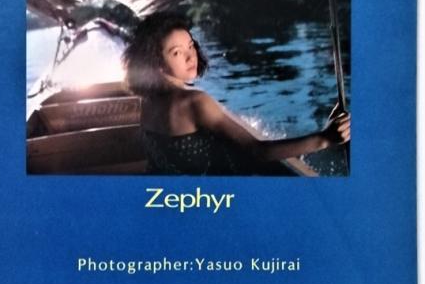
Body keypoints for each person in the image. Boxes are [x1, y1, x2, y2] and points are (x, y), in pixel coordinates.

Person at [123, 12, 350, 175]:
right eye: (176, 52)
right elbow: (257, 152)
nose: (191, 56)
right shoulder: (194, 102)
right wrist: (324, 139)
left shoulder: (148, 100)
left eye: (191, 46)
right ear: (156, 62)